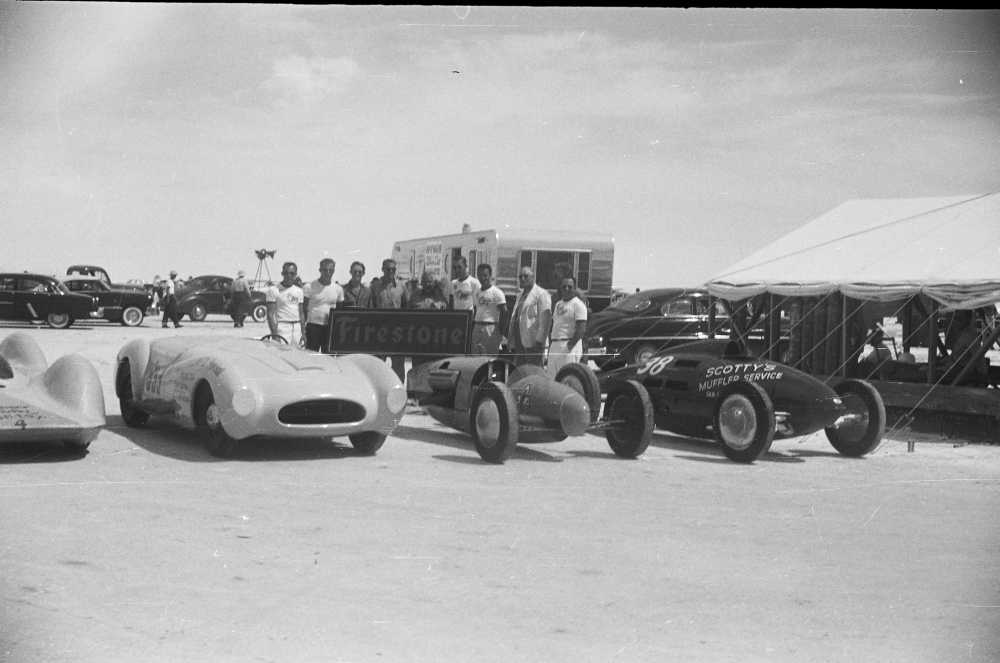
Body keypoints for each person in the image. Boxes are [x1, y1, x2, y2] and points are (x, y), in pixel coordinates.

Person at [369, 258, 409, 381]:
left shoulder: (402, 287)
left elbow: (406, 308)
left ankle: (398, 390)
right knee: (378, 366)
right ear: (382, 269)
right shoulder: (375, 287)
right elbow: (371, 308)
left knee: (398, 367)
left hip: (397, 333)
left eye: (393, 269)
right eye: (388, 269)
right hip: (380, 332)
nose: (391, 271)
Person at [507, 266, 551, 367]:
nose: (522, 279)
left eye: (526, 276)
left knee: (534, 372)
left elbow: (546, 320)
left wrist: (539, 342)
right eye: (520, 276)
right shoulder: (520, 296)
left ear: (533, 277)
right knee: (521, 371)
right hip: (519, 342)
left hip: (534, 343)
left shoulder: (542, 294)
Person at [546, 276, 588, 377]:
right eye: (564, 286)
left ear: (575, 288)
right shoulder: (558, 304)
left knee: (566, 378)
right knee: (552, 378)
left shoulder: (578, 305)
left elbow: (581, 329)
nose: (566, 289)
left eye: (570, 286)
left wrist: (569, 346)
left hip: (569, 346)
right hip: (555, 345)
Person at [302, 258, 344, 351]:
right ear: (320, 270)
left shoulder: (338, 289)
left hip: (330, 328)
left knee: (328, 356)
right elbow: (304, 309)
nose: (328, 273)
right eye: (325, 270)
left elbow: (340, 311)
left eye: (330, 270)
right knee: (311, 355)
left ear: (333, 271)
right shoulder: (309, 286)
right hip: (313, 327)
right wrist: (303, 330)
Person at [266, 261, 305, 347]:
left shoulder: (299, 291)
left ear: (296, 275)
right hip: (282, 327)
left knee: (296, 353)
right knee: (282, 353)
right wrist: (275, 334)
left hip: (297, 328)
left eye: (292, 273)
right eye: (286, 273)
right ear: (282, 273)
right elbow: (270, 314)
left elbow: (301, 313)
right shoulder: (273, 290)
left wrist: (303, 333)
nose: (289, 276)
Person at [472, 263, 507, 355]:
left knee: (489, 357)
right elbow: (476, 309)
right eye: (480, 275)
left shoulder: (497, 292)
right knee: (475, 355)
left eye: (485, 275)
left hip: (490, 327)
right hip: (477, 326)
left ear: (490, 276)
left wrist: (501, 331)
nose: (482, 278)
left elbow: (504, 312)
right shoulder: (477, 292)